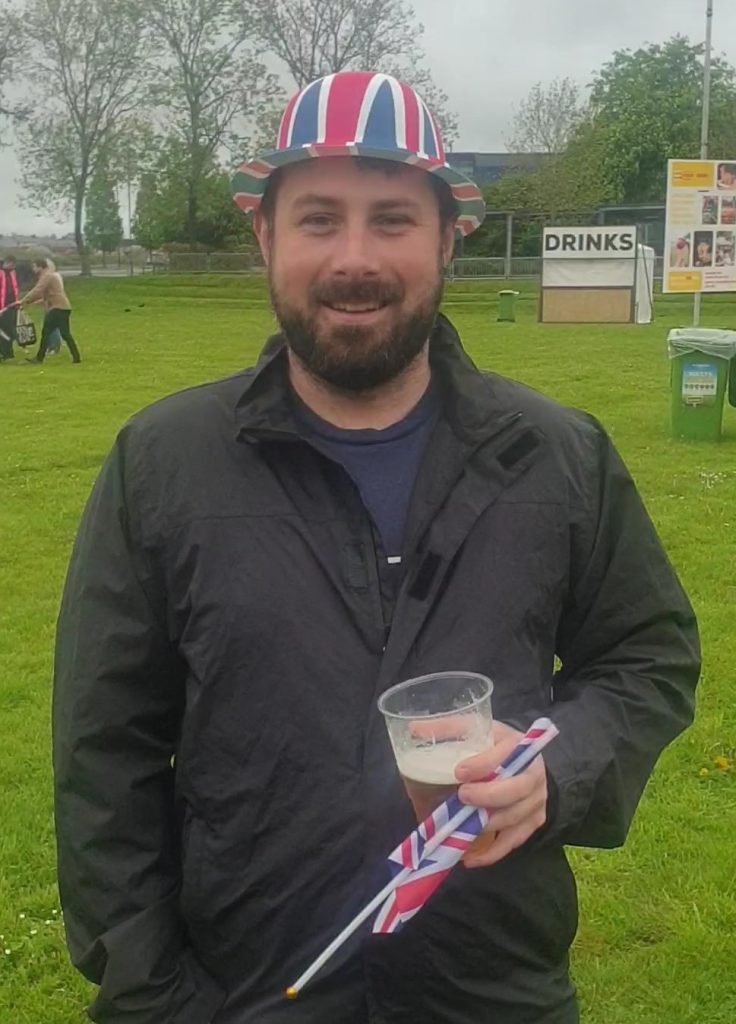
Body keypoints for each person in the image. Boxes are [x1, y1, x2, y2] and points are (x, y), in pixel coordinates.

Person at [53, 71, 700, 1024]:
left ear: (449, 237)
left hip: (492, 992)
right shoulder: (163, 464)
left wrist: (558, 770)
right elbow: (105, 761)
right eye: (318, 219)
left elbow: (648, 658)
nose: (354, 258)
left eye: (393, 220)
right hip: (238, 995)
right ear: (265, 237)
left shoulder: (558, 455)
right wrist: (154, 996)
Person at [15, 257, 81, 363]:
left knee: (47, 332)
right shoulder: (49, 275)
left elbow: (38, 290)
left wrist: (23, 301)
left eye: (34, 266)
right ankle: (76, 357)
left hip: (57, 308)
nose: (33, 269)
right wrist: (30, 303)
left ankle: (39, 358)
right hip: (63, 307)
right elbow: (47, 295)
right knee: (65, 334)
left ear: (40, 266)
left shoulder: (47, 276)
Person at [0, 255, 19, 361]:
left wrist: (17, 302)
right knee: (4, 330)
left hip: (11, 306)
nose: (13, 267)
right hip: (2, 307)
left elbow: (14, 288)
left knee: (9, 329)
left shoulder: (12, 273)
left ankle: (8, 352)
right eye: (11, 264)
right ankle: (5, 353)